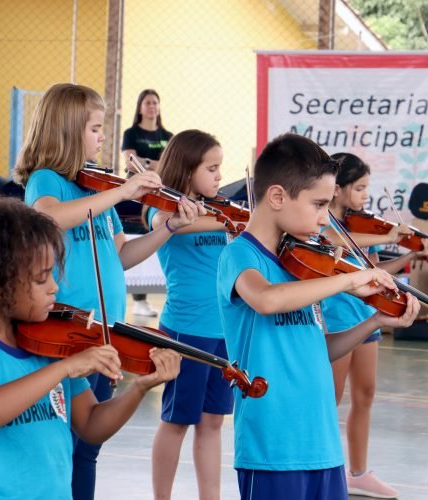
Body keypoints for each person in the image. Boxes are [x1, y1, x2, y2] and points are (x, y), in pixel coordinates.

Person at [13, 82, 201, 500]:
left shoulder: (96, 191)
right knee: (63, 445)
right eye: (96, 128)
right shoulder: (48, 181)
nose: (103, 137)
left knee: (89, 448)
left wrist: (170, 227)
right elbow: (47, 218)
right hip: (64, 335)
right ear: (67, 130)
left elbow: (123, 255)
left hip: (104, 333)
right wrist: (124, 191)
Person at [0, 197, 181, 499]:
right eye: (40, 279)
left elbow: (91, 425)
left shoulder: (53, 341)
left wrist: (140, 388)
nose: (54, 287)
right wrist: (63, 368)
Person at [216, 133, 421, 500]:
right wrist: (348, 279)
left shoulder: (304, 266)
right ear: (277, 196)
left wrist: (373, 322)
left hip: (323, 444)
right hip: (273, 449)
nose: (325, 218)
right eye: (318, 204)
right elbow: (266, 299)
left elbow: (317, 348)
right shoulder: (240, 256)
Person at [320, 152, 425, 499]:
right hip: (336, 319)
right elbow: (335, 243)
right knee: (330, 399)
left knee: (365, 394)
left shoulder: (365, 229)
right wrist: (388, 234)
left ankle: (359, 472)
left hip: (366, 316)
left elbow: (378, 272)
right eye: (360, 188)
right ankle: (326, 466)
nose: (366, 196)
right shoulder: (323, 223)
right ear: (337, 189)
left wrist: (408, 257)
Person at [145, 130, 233, 500]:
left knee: (213, 421)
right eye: (211, 169)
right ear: (186, 168)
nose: (218, 177)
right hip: (187, 330)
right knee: (177, 420)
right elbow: (162, 223)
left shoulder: (219, 210)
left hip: (225, 329)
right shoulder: (164, 208)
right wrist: (227, 220)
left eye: (220, 169)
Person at [122, 89, 174, 317]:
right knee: (136, 238)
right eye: (148, 102)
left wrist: (149, 163)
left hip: (160, 191)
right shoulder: (131, 133)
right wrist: (157, 164)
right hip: (136, 191)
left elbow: (171, 166)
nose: (152, 106)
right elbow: (131, 163)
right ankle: (138, 298)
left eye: (155, 102)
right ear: (140, 107)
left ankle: (149, 296)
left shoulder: (168, 135)